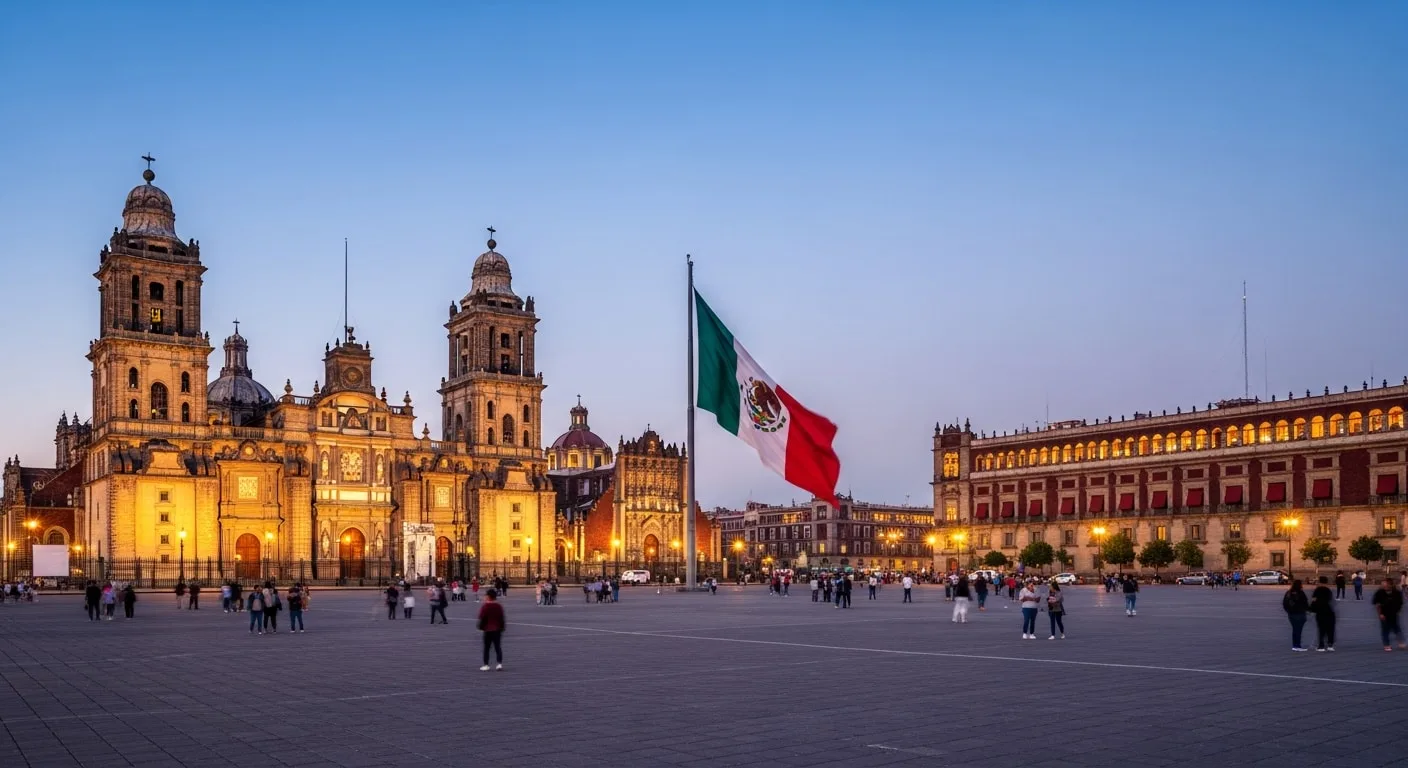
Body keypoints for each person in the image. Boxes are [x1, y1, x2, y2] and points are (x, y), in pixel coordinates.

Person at [1372, 577, 1405, 651]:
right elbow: (1377, 604)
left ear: (1390, 585)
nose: (1383, 586)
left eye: (1385, 584)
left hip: (1394, 614)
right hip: (1384, 614)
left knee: (1396, 628)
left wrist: (1398, 611)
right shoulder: (1379, 592)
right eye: (1383, 584)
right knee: (1385, 629)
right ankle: (1387, 644)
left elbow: (1400, 603)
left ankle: (1401, 642)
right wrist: (1380, 614)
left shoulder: (1397, 592)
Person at [478, 588, 506, 671]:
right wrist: (502, 627)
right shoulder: (498, 606)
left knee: (487, 648)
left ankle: (486, 665)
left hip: (488, 629)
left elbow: (482, 617)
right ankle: (499, 664)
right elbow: (501, 617)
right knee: (498, 647)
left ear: (489, 596)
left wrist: (481, 627)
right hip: (497, 629)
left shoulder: (485, 606)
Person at [1282, 579, 1310, 652]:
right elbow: (1305, 603)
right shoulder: (1301, 593)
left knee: (1295, 630)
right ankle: (1297, 646)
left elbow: (1284, 603)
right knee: (1298, 630)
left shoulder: (1288, 592)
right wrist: (1308, 610)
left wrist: (1288, 611)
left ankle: (1295, 645)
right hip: (1300, 614)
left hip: (1291, 614)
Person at [1309, 576, 1335, 652]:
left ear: (1320, 582)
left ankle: (1321, 646)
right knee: (1330, 629)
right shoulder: (1328, 590)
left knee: (1321, 629)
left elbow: (1314, 601)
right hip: (1329, 611)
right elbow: (1330, 600)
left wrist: (1312, 610)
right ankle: (1330, 645)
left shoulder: (1317, 590)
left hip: (1320, 611)